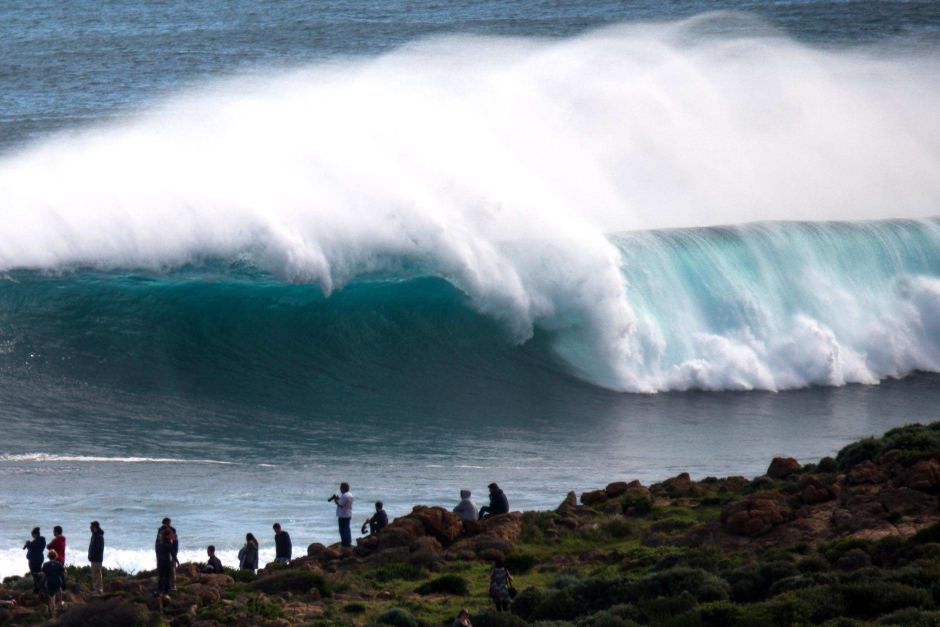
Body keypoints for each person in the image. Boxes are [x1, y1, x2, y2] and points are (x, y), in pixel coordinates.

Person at [155, 518, 180, 591]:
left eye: (169, 523)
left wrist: (175, 553)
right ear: (164, 523)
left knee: (172, 569)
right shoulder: (160, 531)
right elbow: (157, 542)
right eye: (167, 523)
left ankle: (173, 586)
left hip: (171, 551)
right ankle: (162, 587)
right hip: (163, 552)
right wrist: (157, 553)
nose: (168, 524)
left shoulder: (173, 530)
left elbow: (176, 542)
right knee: (162, 571)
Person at [41, 549, 66, 617]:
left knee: (51, 598)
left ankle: (52, 612)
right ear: (55, 556)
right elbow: (63, 574)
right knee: (59, 592)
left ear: (49, 556)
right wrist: (64, 583)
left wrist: (43, 584)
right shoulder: (59, 564)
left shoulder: (45, 565)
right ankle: (60, 604)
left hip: (49, 582)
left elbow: (43, 575)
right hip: (57, 581)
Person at [330, 482, 354, 547]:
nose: (340, 489)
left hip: (343, 515)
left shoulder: (344, 495)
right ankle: (348, 542)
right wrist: (339, 499)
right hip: (348, 514)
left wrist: (335, 500)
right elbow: (343, 503)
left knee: (342, 530)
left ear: (343, 488)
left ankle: (344, 543)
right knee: (347, 529)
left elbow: (340, 504)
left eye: (341, 488)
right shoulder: (350, 495)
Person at [23, 527, 46, 593]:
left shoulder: (36, 541)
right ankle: (40, 587)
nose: (32, 536)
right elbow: (35, 548)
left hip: (34, 560)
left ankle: (37, 589)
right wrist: (30, 544)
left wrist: (28, 544)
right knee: (38, 572)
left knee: (34, 574)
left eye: (32, 534)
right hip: (40, 558)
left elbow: (32, 549)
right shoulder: (42, 540)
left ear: (35, 534)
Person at [88, 521, 104, 593]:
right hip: (93, 558)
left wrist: (93, 555)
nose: (90, 528)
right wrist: (90, 555)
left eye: (91, 526)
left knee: (97, 573)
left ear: (94, 527)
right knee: (94, 574)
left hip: (97, 558)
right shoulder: (94, 535)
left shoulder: (99, 536)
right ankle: (96, 588)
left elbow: (99, 549)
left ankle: (99, 589)